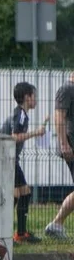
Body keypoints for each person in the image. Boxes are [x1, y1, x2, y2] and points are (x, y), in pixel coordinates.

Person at [2, 81, 47, 243]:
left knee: (19, 194)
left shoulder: (22, 114)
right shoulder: (20, 114)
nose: (36, 100)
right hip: (8, 160)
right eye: (34, 96)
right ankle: (15, 233)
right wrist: (36, 133)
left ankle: (15, 232)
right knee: (23, 193)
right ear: (28, 97)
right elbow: (14, 137)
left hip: (11, 160)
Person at [49, 72, 74, 239]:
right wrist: (64, 144)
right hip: (71, 145)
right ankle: (56, 223)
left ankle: (57, 224)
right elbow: (59, 117)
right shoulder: (67, 89)